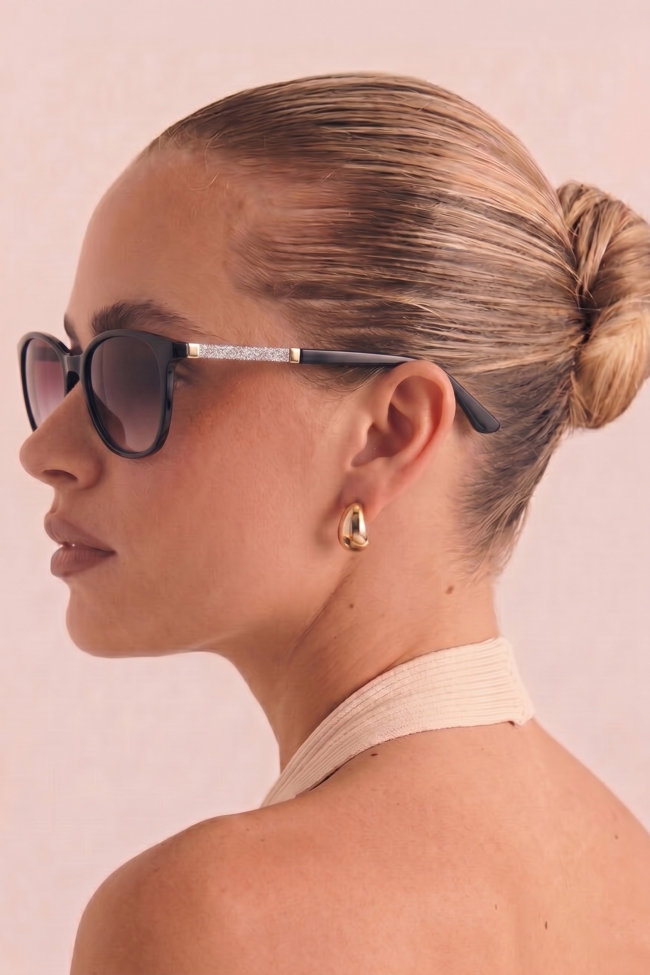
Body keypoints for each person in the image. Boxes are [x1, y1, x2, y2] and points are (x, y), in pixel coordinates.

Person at [18, 72, 650, 972]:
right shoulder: (628, 880)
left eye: (140, 369)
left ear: (389, 432)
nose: (45, 447)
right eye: (69, 365)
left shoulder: (213, 918)